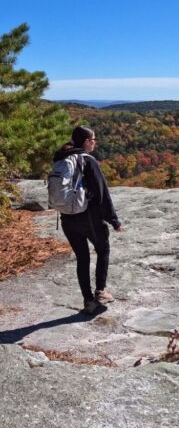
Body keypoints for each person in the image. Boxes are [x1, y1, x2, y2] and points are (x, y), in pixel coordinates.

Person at [53, 126, 122, 314]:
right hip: (88, 217)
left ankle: (88, 302)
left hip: (67, 218)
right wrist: (113, 220)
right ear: (86, 142)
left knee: (82, 258)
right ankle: (101, 291)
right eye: (93, 139)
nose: (95, 142)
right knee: (103, 249)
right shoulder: (88, 161)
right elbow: (102, 194)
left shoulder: (62, 158)